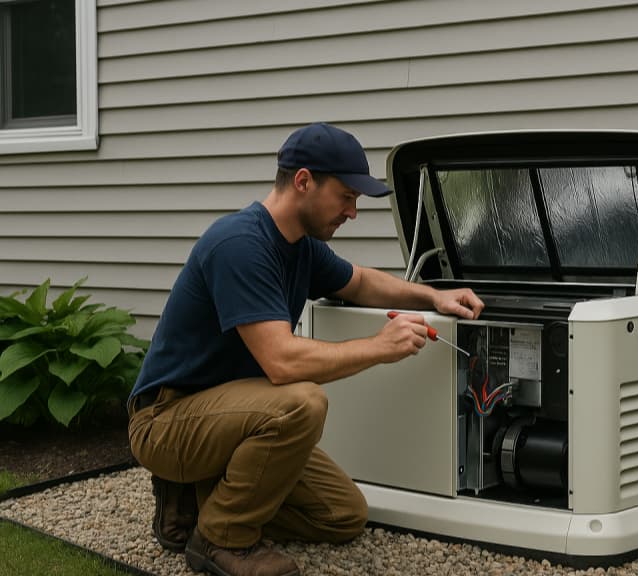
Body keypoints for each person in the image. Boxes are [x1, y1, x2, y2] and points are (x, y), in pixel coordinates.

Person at [127, 122, 485, 576]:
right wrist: (378, 347)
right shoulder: (240, 245)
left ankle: (195, 494)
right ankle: (220, 539)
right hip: (166, 420)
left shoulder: (300, 248)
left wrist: (433, 296)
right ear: (303, 181)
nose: (352, 212)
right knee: (302, 402)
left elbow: (359, 282)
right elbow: (281, 362)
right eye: (347, 196)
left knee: (342, 515)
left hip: (231, 416)